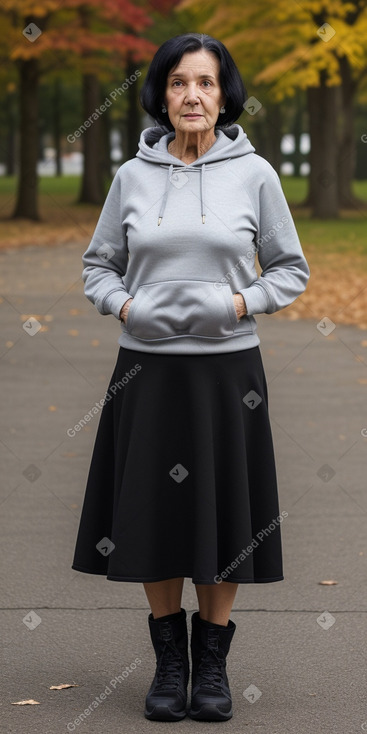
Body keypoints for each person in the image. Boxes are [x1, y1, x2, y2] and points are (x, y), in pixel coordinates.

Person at [71, 31, 310, 723]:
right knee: (152, 511)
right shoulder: (130, 177)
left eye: (205, 83)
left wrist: (237, 302)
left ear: (224, 93)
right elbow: (98, 266)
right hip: (145, 372)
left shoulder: (255, 174)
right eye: (179, 83)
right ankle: (167, 666)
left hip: (227, 372)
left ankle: (211, 665)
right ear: (161, 94)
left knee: (221, 515)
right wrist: (125, 305)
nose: (192, 96)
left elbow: (290, 268)